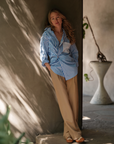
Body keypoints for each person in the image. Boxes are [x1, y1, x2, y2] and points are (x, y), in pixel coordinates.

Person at [40, 9, 84, 143]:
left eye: (57, 17)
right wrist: (50, 67)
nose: (56, 20)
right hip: (56, 70)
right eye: (53, 18)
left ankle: (68, 134)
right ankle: (76, 134)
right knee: (64, 103)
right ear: (50, 21)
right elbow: (43, 53)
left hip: (71, 70)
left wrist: (75, 64)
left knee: (73, 103)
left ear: (61, 19)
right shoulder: (47, 35)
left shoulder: (67, 33)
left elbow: (75, 52)